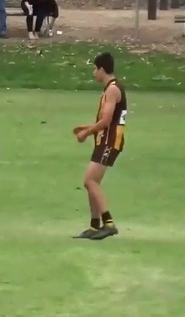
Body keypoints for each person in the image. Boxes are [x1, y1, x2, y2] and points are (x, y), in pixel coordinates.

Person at [72, 52, 125, 241]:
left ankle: (108, 223)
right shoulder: (111, 88)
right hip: (104, 141)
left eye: (95, 69)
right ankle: (95, 226)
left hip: (109, 142)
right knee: (91, 183)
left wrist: (86, 133)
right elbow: (107, 121)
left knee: (90, 181)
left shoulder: (112, 90)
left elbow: (107, 121)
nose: (94, 72)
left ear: (102, 69)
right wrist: (86, 127)